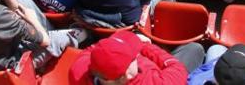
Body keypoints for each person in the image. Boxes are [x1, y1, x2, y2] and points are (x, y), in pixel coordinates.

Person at [68, 31, 204, 85]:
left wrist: (117, 41)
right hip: (165, 71)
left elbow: (91, 50)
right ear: (126, 75)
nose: (136, 55)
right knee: (195, 49)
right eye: (134, 56)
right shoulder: (154, 82)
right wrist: (145, 46)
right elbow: (177, 68)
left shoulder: (78, 71)